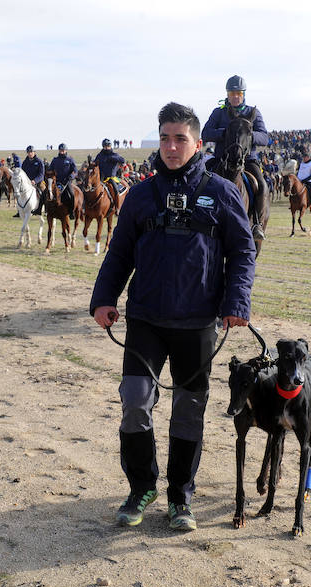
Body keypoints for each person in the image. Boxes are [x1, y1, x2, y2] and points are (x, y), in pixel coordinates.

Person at [89, 102, 256, 532]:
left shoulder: (223, 192)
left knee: (188, 409)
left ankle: (181, 495)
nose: (171, 146)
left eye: (180, 138)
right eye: (165, 138)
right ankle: (141, 488)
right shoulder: (141, 195)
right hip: (145, 319)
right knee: (135, 402)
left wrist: (236, 302)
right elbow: (119, 252)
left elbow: (243, 251)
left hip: (197, 323)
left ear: (197, 144)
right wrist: (103, 298)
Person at [202, 75, 270, 241]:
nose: (235, 96)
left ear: (243, 94)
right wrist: (225, 133)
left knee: (261, 185)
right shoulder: (219, 112)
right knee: (200, 179)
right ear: (227, 94)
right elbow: (206, 133)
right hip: (221, 158)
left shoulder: (253, 113)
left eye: (238, 93)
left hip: (247, 160)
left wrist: (247, 135)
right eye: (232, 93)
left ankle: (257, 224)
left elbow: (264, 137)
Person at [94, 138, 127, 208]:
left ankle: (117, 207)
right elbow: (95, 164)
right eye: (105, 146)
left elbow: (122, 160)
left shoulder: (114, 155)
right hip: (100, 178)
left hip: (111, 178)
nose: (106, 147)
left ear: (110, 146)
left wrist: (113, 158)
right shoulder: (99, 155)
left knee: (115, 190)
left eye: (108, 146)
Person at [49, 143, 78, 219]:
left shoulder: (70, 159)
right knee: (46, 193)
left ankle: (71, 212)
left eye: (63, 150)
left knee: (71, 194)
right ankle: (44, 210)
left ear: (66, 150)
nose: (62, 151)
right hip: (56, 182)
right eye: (61, 150)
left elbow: (75, 171)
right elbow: (50, 170)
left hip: (67, 182)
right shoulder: (55, 160)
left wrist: (72, 176)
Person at [21, 145, 46, 215]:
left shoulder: (39, 161)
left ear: (34, 152)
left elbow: (41, 174)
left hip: (38, 182)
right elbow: (23, 173)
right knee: (19, 192)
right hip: (27, 183)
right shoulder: (25, 162)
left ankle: (46, 209)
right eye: (28, 152)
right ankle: (20, 210)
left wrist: (35, 181)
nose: (30, 153)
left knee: (44, 192)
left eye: (31, 152)